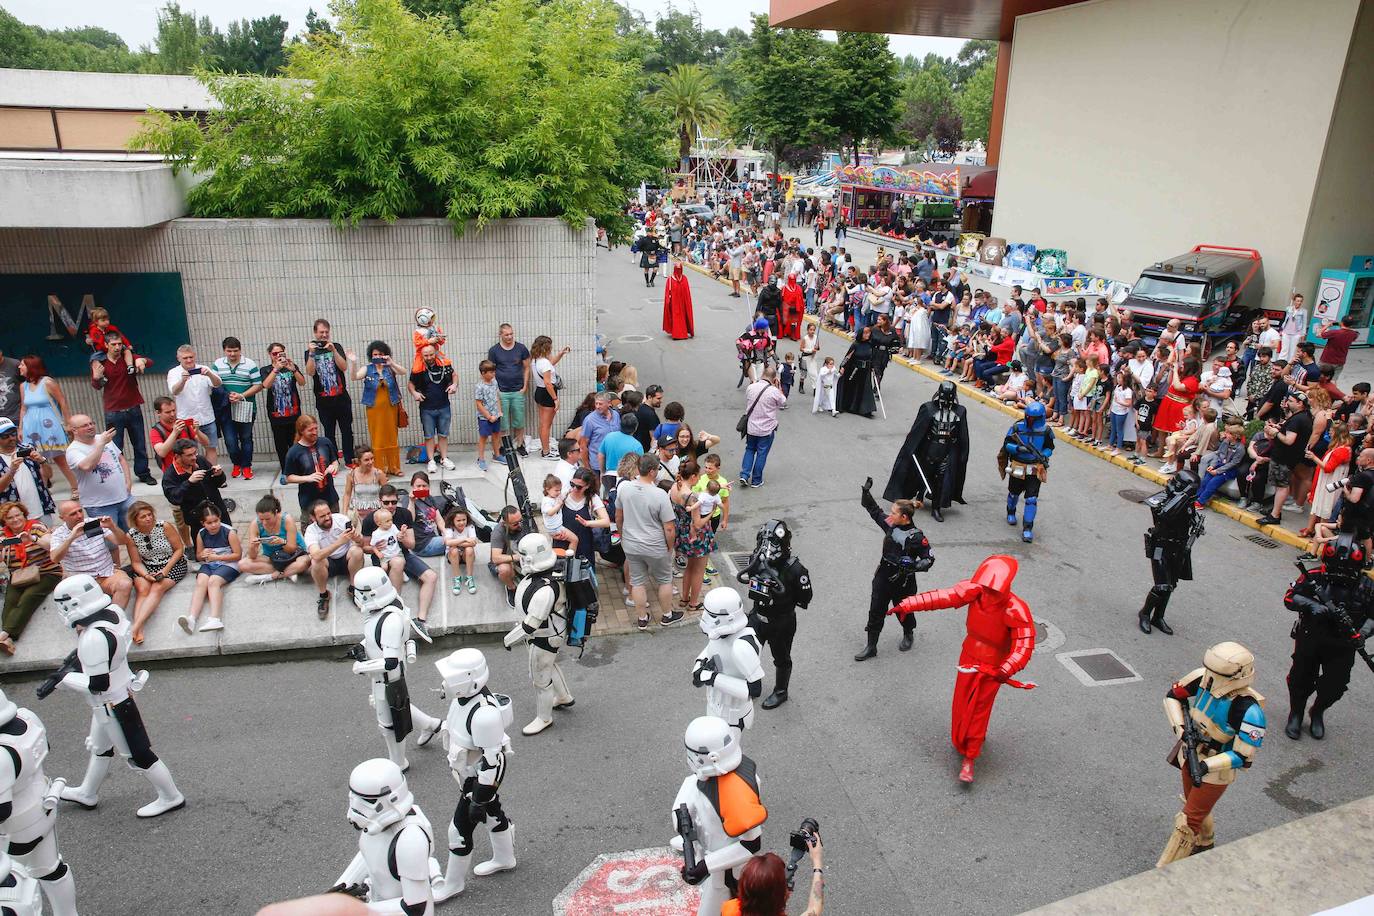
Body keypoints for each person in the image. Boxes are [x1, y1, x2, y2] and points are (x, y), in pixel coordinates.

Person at [49, 573, 185, 817]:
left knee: (138, 755)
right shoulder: (113, 613)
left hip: (113, 702)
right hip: (112, 699)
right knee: (100, 748)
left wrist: (64, 679)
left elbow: (98, 683)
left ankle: (171, 796)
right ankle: (87, 792)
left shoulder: (93, 636)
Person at [892, 555, 1035, 784]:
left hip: (993, 666)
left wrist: (1007, 668)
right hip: (968, 656)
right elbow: (944, 597)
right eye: (986, 587)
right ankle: (963, 739)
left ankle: (970, 756)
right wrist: (908, 604)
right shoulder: (975, 591)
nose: (988, 593)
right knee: (961, 702)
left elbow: (1024, 644)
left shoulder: (1015, 610)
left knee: (978, 709)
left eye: (992, 590)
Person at [1157, 643, 1265, 866]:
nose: (1212, 679)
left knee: (1187, 821)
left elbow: (1243, 756)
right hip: (1190, 751)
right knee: (1193, 805)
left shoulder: (1249, 710)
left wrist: (1207, 766)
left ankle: (1164, 869)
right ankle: (1205, 843)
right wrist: (1181, 729)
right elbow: (1172, 696)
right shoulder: (1202, 678)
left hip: (1217, 767)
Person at [431, 648, 517, 901]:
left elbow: (495, 761)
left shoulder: (484, 715)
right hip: (469, 778)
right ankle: (505, 857)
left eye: (453, 678)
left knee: (457, 832)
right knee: (492, 815)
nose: (446, 683)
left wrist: (478, 797)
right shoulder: (464, 702)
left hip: (476, 782)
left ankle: (453, 884)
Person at [670, 716, 767, 916]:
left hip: (727, 869)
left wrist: (706, 866)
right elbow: (693, 789)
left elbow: (751, 844)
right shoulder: (714, 776)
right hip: (709, 851)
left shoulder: (737, 790)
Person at [349, 567, 444, 769]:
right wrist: (363, 646)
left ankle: (399, 763)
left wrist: (361, 667)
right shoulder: (384, 608)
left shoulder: (390, 618)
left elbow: (390, 660)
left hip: (389, 676)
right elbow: (375, 635)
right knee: (397, 707)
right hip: (382, 675)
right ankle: (433, 725)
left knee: (390, 724)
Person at [1283, 532, 1374, 741]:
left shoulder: (1367, 586)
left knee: (1336, 685)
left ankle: (1317, 711)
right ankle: (1296, 713)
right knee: (1300, 679)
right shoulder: (1315, 576)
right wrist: (1311, 604)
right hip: (1311, 637)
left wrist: (1364, 633)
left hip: (1344, 644)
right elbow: (1290, 598)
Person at [0, 687, 81, 915]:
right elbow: (45, 748)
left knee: (13, 890)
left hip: (14, 830)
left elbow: (1, 810)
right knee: (52, 869)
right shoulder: (27, 717)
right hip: (43, 808)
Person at [330, 759, 435, 914]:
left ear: (393, 798)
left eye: (367, 800)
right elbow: (370, 854)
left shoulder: (411, 840)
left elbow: (415, 908)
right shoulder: (377, 824)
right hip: (378, 902)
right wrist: (340, 889)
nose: (357, 808)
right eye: (355, 797)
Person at [502, 532, 576, 736]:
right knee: (549, 666)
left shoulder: (545, 590)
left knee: (540, 679)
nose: (521, 558)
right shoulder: (545, 575)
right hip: (547, 633)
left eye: (524, 555)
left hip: (544, 635)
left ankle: (544, 718)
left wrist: (508, 640)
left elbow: (529, 625)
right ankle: (563, 697)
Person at [853, 477, 932, 662]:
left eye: (894, 513)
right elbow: (875, 511)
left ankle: (908, 633)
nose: (890, 515)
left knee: (903, 610)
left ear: (904, 517)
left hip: (904, 580)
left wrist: (913, 566)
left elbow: (929, 558)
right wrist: (866, 494)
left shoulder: (917, 537)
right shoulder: (891, 524)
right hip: (883, 576)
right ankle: (871, 646)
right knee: (875, 610)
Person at [736, 519, 812, 710]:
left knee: (782, 658)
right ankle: (753, 685)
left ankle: (781, 692)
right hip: (757, 615)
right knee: (749, 651)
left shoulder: (795, 568)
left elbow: (805, 597)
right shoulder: (756, 559)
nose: (768, 548)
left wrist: (782, 591)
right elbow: (747, 577)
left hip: (781, 621)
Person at [884, 381, 969, 523]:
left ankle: (936, 508)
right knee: (923, 474)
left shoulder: (960, 411)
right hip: (929, 449)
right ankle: (919, 494)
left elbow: (963, 435)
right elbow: (917, 431)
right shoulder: (928, 409)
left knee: (940, 479)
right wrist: (912, 447)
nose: (946, 402)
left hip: (946, 451)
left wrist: (961, 454)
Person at [1138, 471, 1205, 635]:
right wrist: (1184, 495)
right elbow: (1165, 515)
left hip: (1179, 547)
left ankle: (1158, 617)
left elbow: (1191, 516)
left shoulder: (1187, 502)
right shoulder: (1163, 499)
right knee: (1162, 585)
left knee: (1171, 585)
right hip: (1161, 545)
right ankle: (1145, 613)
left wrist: (1197, 524)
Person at [618, 454, 679, 629]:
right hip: (655, 545)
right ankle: (667, 614)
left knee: (637, 582)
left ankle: (642, 619)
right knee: (664, 580)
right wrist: (669, 547)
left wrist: (624, 537)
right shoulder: (660, 495)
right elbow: (669, 528)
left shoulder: (625, 489)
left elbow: (618, 516)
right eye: (658, 469)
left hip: (631, 544)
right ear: (652, 471)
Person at [91, 334, 155, 486]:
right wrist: (96, 377)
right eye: (113, 344)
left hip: (133, 408)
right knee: (115, 446)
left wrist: (142, 360)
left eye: (119, 344)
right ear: (106, 345)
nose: (117, 347)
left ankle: (143, 473)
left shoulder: (128, 358)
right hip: (113, 411)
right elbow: (96, 386)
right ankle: (117, 475)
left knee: (139, 443)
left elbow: (150, 362)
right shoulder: (100, 362)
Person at [121, 500, 187, 645]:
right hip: (147, 567)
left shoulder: (164, 527)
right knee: (142, 589)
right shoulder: (131, 535)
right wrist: (145, 575)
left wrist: (165, 570)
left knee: (157, 587)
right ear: (135, 520)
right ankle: (139, 628)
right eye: (143, 517)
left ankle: (135, 627)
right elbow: (136, 562)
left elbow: (179, 549)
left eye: (149, 514)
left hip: (172, 564)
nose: (148, 518)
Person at [0, 500, 61, 655]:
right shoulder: (2, 535)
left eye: (17, 515)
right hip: (19, 576)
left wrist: (32, 539)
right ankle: (6, 639)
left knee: (28, 597)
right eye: (10, 518)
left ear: (23, 514)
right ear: (4, 521)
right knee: (10, 603)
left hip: (47, 572)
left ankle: (5, 635)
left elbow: (50, 545)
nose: (15, 520)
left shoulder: (35, 527)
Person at [46, 500, 132, 609]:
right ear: (62, 518)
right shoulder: (59, 534)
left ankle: (114, 618)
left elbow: (121, 541)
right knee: (81, 620)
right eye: (73, 514)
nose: (79, 516)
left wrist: (113, 527)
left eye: (80, 511)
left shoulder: (93, 523)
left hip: (106, 573)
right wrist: (71, 538)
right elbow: (55, 558)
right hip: (81, 581)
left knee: (125, 584)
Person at [177, 503, 240, 634]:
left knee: (213, 582)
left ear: (220, 518)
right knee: (201, 582)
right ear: (203, 523)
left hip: (228, 563)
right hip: (209, 563)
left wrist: (217, 557)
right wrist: (203, 555)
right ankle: (191, 619)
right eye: (209, 523)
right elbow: (199, 556)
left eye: (216, 521)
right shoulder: (201, 533)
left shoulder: (229, 532)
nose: (213, 525)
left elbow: (238, 555)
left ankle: (215, 618)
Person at [64, 414, 134, 531]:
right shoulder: (73, 450)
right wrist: (101, 444)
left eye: (91, 423)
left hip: (125, 497)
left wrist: (128, 482)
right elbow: (87, 466)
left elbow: (120, 459)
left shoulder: (102, 438)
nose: (90, 427)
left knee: (136, 535)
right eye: (85, 425)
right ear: (74, 430)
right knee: (107, 542)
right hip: (99, 505)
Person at [19, 356, 78, 491]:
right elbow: (23, 407)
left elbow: (62, 401)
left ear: (31, 366)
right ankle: (43, 490)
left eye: (22, 365)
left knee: (60, 458)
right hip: (31, 427)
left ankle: (76, 487)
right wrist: (21, 428)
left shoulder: (47, 382)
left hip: (49, 426)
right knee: (35, 460)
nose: (19, 367)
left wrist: (68, 422)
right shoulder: (23, 386)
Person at [999, 401, 1055, 543]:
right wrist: (1018, 449)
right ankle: (1011, 511)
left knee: (1031, 499)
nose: (1030, 420)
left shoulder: (1046, 431)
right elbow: (1006, 444)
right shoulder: (1017, 427)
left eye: (1033, 418)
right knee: (1014, 493)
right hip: (1018, 464)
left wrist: (1044, 455)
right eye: (1029, 417)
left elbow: (1050, 447)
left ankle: (1027, 528)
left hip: (1035, 467)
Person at [304, 318, 355, 466]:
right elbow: (310, 372)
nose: (324, 335)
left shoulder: (336, 346)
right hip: (323, 400)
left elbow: (344, 367)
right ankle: (333, 461)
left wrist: (333, 351)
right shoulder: (310, 351)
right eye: (321, 332)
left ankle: (349, 459)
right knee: (329, 432)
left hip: (341, 398)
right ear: (315, 333)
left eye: (326, 332)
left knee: (347, 430)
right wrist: (312, 354)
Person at [161, 438, 230, 546]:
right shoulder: (170, 475)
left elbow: (218, 483)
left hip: (218, 511)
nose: (194, 457)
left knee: (229, 544)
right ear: (178, 456)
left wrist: (219, 475)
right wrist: (188, 482)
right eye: (189, 455)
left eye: (195, 453)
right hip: (197, 519)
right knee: (203, 554)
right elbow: (174, 498)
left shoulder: (201, 460)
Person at [304, 500, 365, 619]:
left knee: (357, 551)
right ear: (313, 518)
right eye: (322, 516)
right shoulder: (311, 531)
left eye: (328, 513)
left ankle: (353, 588)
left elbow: (361, 543)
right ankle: (324, 595)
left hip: (346, 559)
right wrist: (339, 542)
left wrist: (357, 538)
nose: (327, 518)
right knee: (316, 562)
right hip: (328, 562)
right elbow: (316, 555)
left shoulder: (341, 520)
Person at [212, 336, 263, 480]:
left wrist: (241, 395)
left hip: (246, 407)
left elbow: (258, 385)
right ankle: (236, 463)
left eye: (235, 351)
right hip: (226, 408)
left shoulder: (250, 364)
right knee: (230, 440)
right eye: (229, 351)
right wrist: (227, 395)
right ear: (224, 351)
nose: (233, 354)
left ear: (240, 350)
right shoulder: (217, 364)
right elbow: (213, 383)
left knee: (246, 438)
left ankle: (246, 466)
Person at [165, 345, 223, 465]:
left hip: (207, 417)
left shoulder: (204, 368)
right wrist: (183, 380)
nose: (189, 360)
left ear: (195, 356)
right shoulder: (174, 372)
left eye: (191, 357)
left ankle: (212, 476)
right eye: (185, 358)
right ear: (178, 358)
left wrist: (209, 375)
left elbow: (218, 384)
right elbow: (174, 391)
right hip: (186, 419)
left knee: (211, 447)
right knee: (187, 451)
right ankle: (193, 478)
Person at [353, 341, 403, 477]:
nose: (377, 357)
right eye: (375, 354)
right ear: (371, 356)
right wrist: (353, 363)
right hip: (374, 409)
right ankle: (381, 469)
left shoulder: (389, 368)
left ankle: (394, 467)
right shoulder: (367, 369)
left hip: (390, 407)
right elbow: (354, 377)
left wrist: (391, 362)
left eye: (380, 354)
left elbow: (403, 372)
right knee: (378, 438)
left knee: (392, 436)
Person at [239, 494, 309, 586]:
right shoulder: (255, 524)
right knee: (243, 564)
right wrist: (253, 546)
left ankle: (269, 577)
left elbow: (292, 548)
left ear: (276, 512)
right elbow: (252, 556)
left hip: (294, 555)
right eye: (261, 519)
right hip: (272, 557)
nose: (264, 522)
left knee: (303, 563)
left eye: (268, 519)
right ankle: (290, 572)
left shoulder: (287, 520)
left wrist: (282, 542)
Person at [262, 343, 307, 484]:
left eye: (281, 353)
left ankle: (297, 468)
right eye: (275, 354)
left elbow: (302, 382)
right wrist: (276, 369)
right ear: (270, 355)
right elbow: (266, 385)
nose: (278, 356)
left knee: (295, 442)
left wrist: (293, 370)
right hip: (276, 414)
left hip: (293, 412)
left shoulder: (291, 366)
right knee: (281, 445)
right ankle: (285, 470)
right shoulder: (266, 369)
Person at [0, 416, 55, 524]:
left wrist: (42, 461)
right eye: (5, 436)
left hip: (40, 510)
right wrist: (11, 471)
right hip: (13, 518)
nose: (11, 438)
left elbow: (49, 475)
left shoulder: (27, 448)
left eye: (13, 433)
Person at [739, 368, 787, 489]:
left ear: (762, 375)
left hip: (751, 427)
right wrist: (778, 387)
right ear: (774, 378)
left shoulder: (751, 387)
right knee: (762, 453)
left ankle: (744, 475)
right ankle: (756, 480)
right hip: (766, 429)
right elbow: (783, 402)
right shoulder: (774, 392)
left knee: (749, 449)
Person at [488, 324, 531, 456]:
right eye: (506, 335)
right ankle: (504, 446)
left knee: (519, 420)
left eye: (511, 334)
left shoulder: (521, 348)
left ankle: (519, 445)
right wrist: (495, 390)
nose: (510, 337)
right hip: (501, 392)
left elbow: (527, 367)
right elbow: (491, 371)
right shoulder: (494, 350)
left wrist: (524, 386)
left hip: (518, 390)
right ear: (500, 335)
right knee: (503, 422)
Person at [285, 415, 341, 513]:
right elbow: (288, 477)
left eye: (316, 428)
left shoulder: (325, 442)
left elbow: (334, 460)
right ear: (301, 431)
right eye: (310, 430)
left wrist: (334, 466)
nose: (314, 432)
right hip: (309, 502)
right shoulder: (294, 452)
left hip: (330, 498)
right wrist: (308, 478)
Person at [530, 336, 571, 459]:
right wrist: (555, 399)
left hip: (539, 391)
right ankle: (546, 452)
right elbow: (548, 383)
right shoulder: (545, 363)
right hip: (548, 393)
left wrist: (561, 354)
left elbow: (551, 363)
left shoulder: (536, 360)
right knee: (546, 425)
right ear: (547, 347)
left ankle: (545, 447)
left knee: (543, 423)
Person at [834, 327, 878, 418]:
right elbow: (848, 356)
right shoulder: (856, 345)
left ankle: (866, 410)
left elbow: (872, 357)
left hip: (866, 370)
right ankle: (849, 407)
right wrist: (842, 366)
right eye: (865, 333)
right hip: (855, 369)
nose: (867, 335)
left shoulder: (870, 345)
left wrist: (873, 367)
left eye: (868, 333)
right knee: (853, 388)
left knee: (865, 390)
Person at [343, 445, 387, 519]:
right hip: (357, 514)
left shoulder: (379, 474)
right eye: (366, 460)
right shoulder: (351, 474)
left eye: (372, 459)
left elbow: (386, 493)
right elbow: (347, 494)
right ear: (359, 461)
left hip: (376, 514)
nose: (371, 462)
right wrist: (344, 513)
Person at [1315, 315, 1358, 380]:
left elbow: (1318, 334)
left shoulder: (1334, 333)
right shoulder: (1354, 334)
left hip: (1327, 360)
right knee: (1333, 380)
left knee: (1317, 377)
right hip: (1340, 361)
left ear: (1341, 322)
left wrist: (1327, 325)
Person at [663, 260, 696, 340]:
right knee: (676, 317)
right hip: (674, 303)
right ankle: (677, 334)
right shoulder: (670, 280)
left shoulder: (684, 279)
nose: (678, 271)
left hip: (683, 303)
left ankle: (684, 331)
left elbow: (687, 293)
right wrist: (669, 299)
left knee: (683, 316)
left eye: (680, 269)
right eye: (677, 269)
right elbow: (667, 293)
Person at [1279, 293, 1306, 362]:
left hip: (1296, 333)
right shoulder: (1289, 308)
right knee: (1284, 349)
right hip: (1286, 331)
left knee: (1293, 350)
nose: (1299, 303)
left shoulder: (1303, 311)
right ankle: (1281, 363)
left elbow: (1304, 323)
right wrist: (1281, 330)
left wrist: (1303, 334)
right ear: (1294, 301)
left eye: (1300, 301)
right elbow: (1284, 319)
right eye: (1297, 301)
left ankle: (1290, 364)